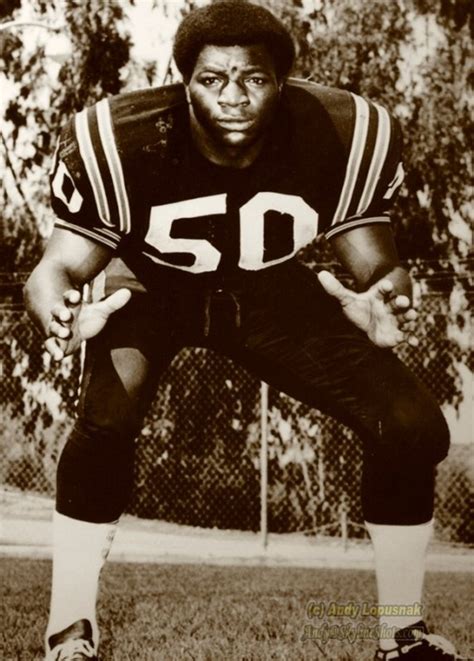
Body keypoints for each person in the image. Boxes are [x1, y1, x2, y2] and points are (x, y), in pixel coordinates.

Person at [24, 1, 459, 659]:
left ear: (280, 81)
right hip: (150, 286)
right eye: (212, 79)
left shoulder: (336, 131)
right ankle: (70, 624)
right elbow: (52, 269)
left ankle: (401, 631)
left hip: (270, 290)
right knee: (105, 420)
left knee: (413, 425)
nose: (233, 97)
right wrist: (60, 312)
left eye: (252, 79)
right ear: (183, 80)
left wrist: (384, 292)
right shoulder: (124, 139)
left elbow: (374, 259)